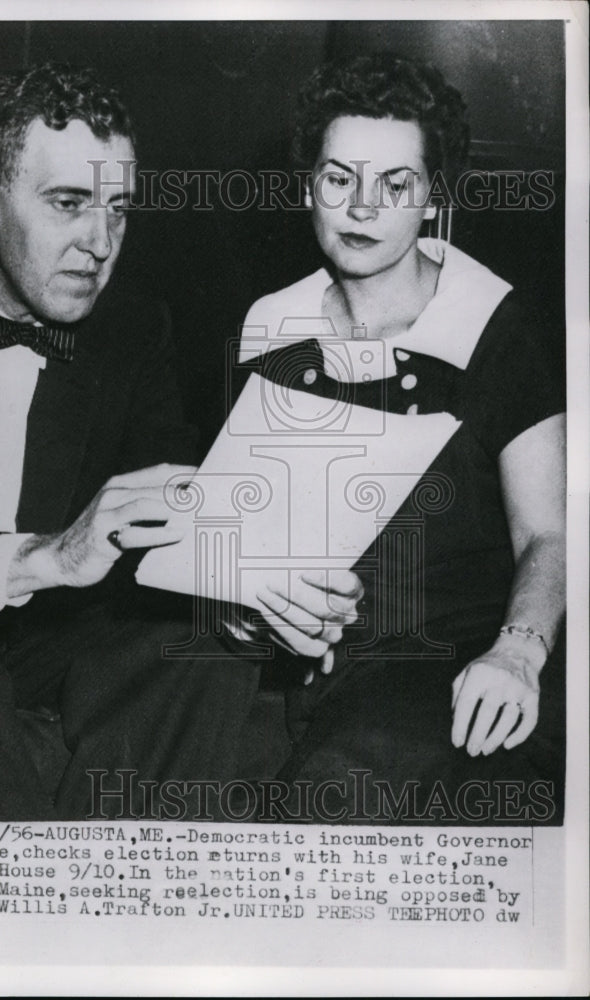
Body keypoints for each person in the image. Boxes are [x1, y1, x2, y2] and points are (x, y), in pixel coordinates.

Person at [0, 62, 276, 821]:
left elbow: (161, 516)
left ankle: (121, 904)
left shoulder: (134, 328)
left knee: (207, 653)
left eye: (119, 209)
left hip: (52, 642)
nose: (100, 243)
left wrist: (246, 589)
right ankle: (25, 913)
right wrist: (40, 557)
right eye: (68, 204)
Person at [236, 52, 566, 822]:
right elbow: (250, 534)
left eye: (396, 184)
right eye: (338, 177)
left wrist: (519, 649)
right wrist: (247, 607)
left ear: (431, 198)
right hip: (299, 667)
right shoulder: (268, 325)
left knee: (328, 812)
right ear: (306, 183)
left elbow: (550, 534)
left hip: (449, 664)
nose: (361, 207)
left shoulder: (497, 326)